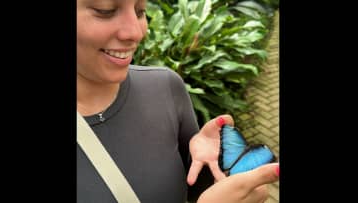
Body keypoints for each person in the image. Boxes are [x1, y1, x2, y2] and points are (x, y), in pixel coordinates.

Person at [77, 0, 279, 202]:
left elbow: (187, 188)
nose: (136, 32)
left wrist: (213, 171)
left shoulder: (165, 87)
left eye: (140, 11)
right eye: (105, 11)